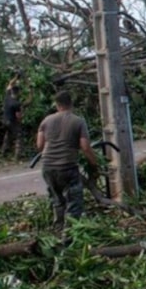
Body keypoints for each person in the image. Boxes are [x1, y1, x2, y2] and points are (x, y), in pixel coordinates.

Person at [36, 91, 99, 237]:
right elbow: (85, 147)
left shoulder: (45, 121)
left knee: (57, 201)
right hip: (67, 167)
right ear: (71, 104)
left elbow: (39, 145)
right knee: (74, 203)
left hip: (48, 167)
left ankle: (58, 233)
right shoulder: (78, 121)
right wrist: (94, 165)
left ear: (57, 105)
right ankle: (69, 237)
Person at [1, 78, 23, 160]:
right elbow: (18, 116)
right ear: (18, 92)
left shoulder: (7, 97)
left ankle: (3, 152)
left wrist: (16, 76)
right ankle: (17, 156)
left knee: (8, 135)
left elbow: (10, 84)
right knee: (18, 136)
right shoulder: (16, 103)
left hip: (4, 121)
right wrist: (20, 121)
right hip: (12, 121)